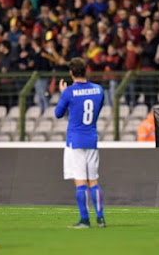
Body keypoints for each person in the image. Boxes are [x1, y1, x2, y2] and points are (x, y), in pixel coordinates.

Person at [55, 57, 106, 228]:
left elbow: (58, 113)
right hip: (91, 138)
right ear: (86, 70)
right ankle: (100, 218)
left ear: (71, 72)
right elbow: (97, 111)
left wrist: (64, 93)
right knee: (93, 180)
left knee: (80, 181)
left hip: (75, 141)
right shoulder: (98, 90)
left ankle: (84, 219)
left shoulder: (69, 92)